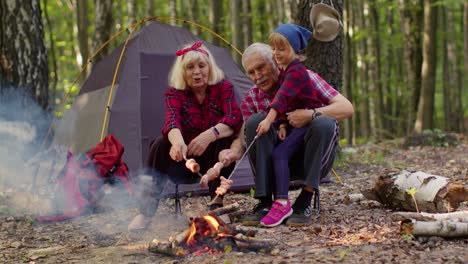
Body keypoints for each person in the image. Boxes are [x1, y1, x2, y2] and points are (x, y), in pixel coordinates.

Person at [217, 42, 354, 227]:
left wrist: (312, 114)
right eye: (251, 72)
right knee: (255, 121)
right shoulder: (251, 98)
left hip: (311, 159)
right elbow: (246, 138)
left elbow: (346, 108)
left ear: (275, 61)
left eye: (261, 68)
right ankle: (265, 202)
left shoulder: (305, 78)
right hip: (277, 160)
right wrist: (232, 152)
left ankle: (304, 201)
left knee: (323, 121)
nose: (257, 76)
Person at [128, 41, 243, 230]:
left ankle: (216, 204)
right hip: (183, 163)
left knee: (225, 142)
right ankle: (145, 212)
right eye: (190, 67)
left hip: (213, 161)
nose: (197, 72)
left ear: (209, 67)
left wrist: (209, 135)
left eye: (201, 66)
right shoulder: (174, 94)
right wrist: (178, 144)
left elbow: (233, 119)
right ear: (183, 72)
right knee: (159, 145)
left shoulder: (224, 88)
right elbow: (172, 122)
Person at [255, 23, 324, 227]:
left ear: (294, 49)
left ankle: (282, 202)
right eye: (273, 48)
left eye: (281, 49)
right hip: (294, 124)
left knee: (280, 153)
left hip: (308, 125)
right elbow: (290, 103)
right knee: (278, 152)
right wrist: (283, 124)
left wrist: (268, 120)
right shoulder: (285, 71)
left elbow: (282, 97)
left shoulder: (296, 71)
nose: (276, 53)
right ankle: (279, 200)